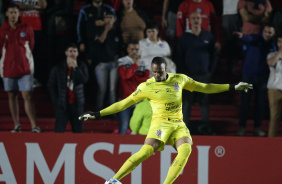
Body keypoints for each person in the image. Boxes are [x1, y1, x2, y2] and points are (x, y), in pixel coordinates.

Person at [79, 56, 253, 184]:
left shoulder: (180, 79)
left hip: (178, 124)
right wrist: (96, 114)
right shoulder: (146, 86)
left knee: (186, 150)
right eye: (154, 72)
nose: (157, 75)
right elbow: (123, 104)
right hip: (160, 124)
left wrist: (233, 86)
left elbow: (205, 87)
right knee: (146, 151)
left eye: (160, 72)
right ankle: (113, 180)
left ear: (166, 69)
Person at [0, 3, 41, 132]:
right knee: (12, 96)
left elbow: (31, 45)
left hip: (25, 69)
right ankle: (16, 125)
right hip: (8, 69)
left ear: (19, 14)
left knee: (27, 96)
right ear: (6, 14)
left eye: (15, 13)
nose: (13, 15)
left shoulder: (27, 28)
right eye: (11, 12)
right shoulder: (2, 30)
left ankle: (34, 126)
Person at [176, 12, 216, 135]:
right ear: (189, 20)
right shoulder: (184, 37)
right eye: (193, 18)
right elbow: (179, 56)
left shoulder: (208, 36)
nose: (196, 20)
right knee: (187, 102)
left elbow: (214, 55)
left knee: (204, 102)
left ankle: (205, 127)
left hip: (204, 76)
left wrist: (210, 72)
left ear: (201, 19)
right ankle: (184, 128)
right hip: (189, 76)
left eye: (198, 18)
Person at [234, 24, 276, 136]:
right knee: (245, 103)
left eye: (270, 32)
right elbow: (248, 38)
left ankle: (257, 128)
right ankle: (242, 127)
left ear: (273, 34)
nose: (267, 34)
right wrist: (242, 36)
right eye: (266, 31)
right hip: (248, 75)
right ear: (263, 31)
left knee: (260, 104)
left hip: (262, 78)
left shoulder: (273, 45)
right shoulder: (255, 38)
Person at [47, 43, 88, 133]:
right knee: (59, 131)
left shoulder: (81, 66)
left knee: (78, 132)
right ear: (66, 53)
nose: (72, 53)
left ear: (77, 53)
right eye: (70, 51)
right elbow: (51, 85)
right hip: (62, 104)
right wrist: (56, 100)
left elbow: (83, 80)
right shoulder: (58, 67)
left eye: (75, 51)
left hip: (77, 105)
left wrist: (75, 68)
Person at [90, 10, 120, 110]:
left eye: (111, 17)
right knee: (102, 89)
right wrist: (106, 30)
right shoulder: (98, 30)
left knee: (112, 90)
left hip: (113, 64)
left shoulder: (117, 31)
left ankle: (113, 112)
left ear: (114, 20)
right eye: (107, 17)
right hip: (101, 64)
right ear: (103, 20)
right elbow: (100, 42)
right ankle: (99, 111)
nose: (109, 19)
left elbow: (120, 47)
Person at [13, 0, 47, 87]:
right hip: (22, 27)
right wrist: (35, 7)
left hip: (36, 27)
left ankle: (32, 78)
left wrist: (26, 6)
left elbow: (43, 6)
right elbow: (17, 6)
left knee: (34, 54)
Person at [117, 41, 150, 134]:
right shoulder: (122, 61)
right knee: (124, 126)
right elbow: (125, 76)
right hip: (125, 99)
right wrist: (135, 65)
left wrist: (131, 74)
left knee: (136, 127)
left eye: (136, 49)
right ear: (127, 50)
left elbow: (145, 80)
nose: (135, 51)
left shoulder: (144, 62)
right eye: (132, 49)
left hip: (139, 100)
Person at [266, 36, 282, 137]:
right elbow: (271, 63)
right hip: (274, 90)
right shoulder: (271, 54)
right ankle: (271, 141)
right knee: (274, 117)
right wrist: (280, 51)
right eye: (280, 42)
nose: (281, 44)